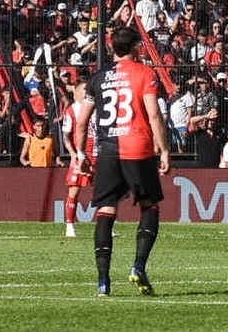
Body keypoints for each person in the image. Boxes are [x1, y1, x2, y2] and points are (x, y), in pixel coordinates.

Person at [79, 25, 170, 297]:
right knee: (149, 206)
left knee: (106, 211)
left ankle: (103, 282)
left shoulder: (97, 78)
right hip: (138, 149)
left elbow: (82, 122)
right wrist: (164, 150)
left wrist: (80, 154)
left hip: (106, 152)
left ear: (111, 48)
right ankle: (138, 266)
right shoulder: (145, 73)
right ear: (135, 47)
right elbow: (154, 115)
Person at [62, 81, 95, 238]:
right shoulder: (72, 110)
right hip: (80, 155)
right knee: (74, 190)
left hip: (97, 154)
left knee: (104, 190)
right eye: (83, 89)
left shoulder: (96, 107)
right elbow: (66, 136)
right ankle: (70, 225)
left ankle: (108, 226)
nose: (85, 92)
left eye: (87, 89)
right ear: (76, 91)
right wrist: (73, 153)